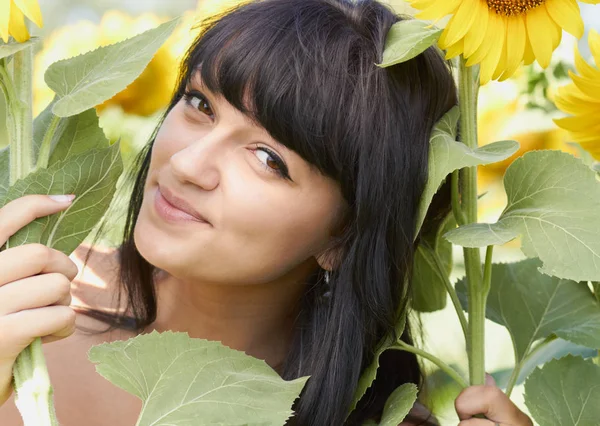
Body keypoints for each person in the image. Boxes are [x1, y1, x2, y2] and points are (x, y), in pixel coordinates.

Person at [0, 0, 534, 425]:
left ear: (345, 236)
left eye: (268, 159)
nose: (188, 163)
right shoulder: (25, 307)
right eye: (201, 105)